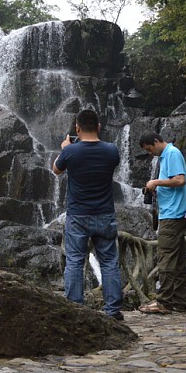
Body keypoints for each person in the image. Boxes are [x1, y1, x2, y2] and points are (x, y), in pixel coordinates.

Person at [52, 108, 124, 320]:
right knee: (109, 261)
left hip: (78, 215)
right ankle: (112, 310)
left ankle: (75, 309)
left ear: (77, 128)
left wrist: (65, 148)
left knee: (74, 260)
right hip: (105, 214)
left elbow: (56, 170)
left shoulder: (70, 151)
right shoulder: (111, 150)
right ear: (99, 127)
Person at [137, 132, 186, 315]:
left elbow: (179, 180)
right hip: (177, 211)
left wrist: (156, 182)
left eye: (149, 148)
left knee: (165, 256)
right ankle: (178, 301)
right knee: (176, 260)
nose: (150, 153)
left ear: (156, 141)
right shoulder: (167, 155)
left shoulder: (171, 153)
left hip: (174, 213)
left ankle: (164, 302)